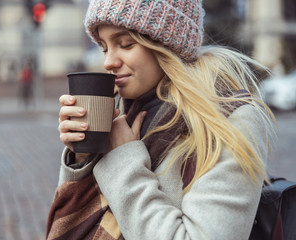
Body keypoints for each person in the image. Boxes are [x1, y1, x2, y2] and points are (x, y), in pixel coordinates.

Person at [46, 1, 277, 239]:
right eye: (104, 48)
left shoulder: (228, 120)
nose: (108, 62)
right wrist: (82, 158)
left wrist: (122, 160)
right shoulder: (122, 115)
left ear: (167, 43)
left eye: (125, 44)